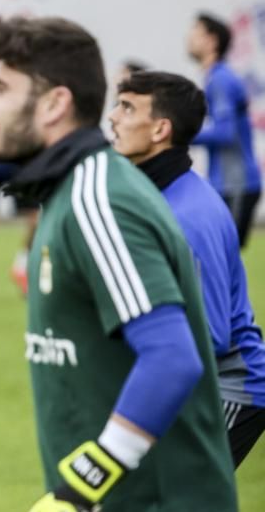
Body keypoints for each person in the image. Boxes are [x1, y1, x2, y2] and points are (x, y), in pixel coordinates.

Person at [0, 15, 237, 511]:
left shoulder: (99, 198)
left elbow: (172, 357)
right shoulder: (69, 192)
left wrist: (84, 484)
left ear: (54, 104)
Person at [110, 70, 265, 469]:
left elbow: (209, 335)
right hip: (191, 379)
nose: (113, 117)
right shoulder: (155, 193)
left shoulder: (188, 217)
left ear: (161, 129)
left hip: (232, 388)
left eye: (127, 108)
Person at [188, 12, 260, 246]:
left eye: (196, 33)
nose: (189, 38)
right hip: (226, 184)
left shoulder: (220, 80)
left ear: (212, 40)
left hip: (237, 184)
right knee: (219, 260)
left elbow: (225, 132)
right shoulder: (214, 78)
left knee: (224, 260)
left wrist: (181, 133)